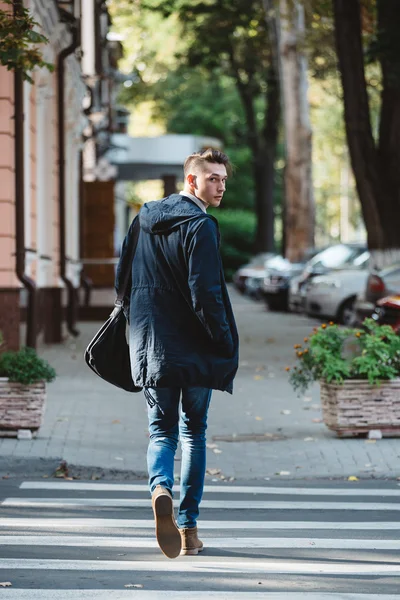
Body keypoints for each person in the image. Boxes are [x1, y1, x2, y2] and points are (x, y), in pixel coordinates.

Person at [115, 148, 239, 559]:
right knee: (193, 433)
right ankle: (187, 528)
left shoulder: (144, 218)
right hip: (196, 349)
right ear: (191, 181)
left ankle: (159, 488)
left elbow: (122, 279)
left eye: (223, 178)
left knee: (160, 432)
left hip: (152, 345)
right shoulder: (200, 225)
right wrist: (223, 340)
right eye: (212, 179)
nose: (220, 186)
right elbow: (206, 293)